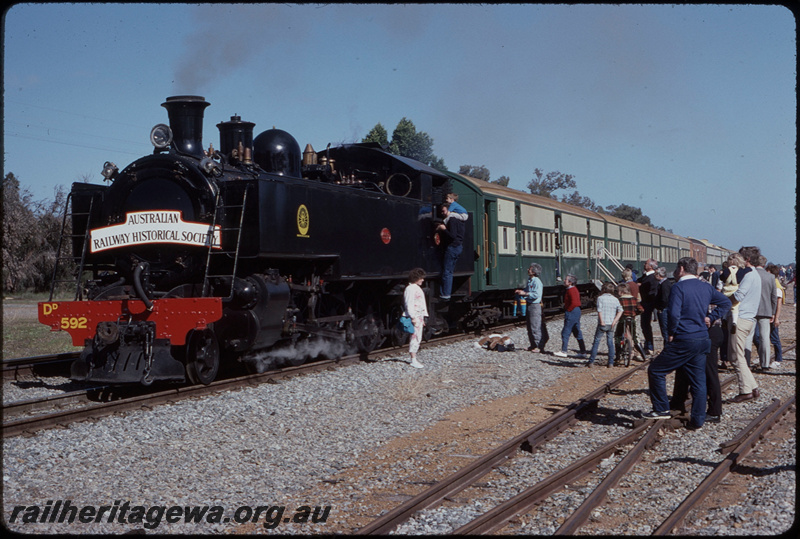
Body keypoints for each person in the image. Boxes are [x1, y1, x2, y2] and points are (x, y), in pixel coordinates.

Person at [643, 257, 731, 429]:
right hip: (702, 338)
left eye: (676, 269)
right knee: (699, 381)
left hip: (684, 337)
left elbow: (674, 314)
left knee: (656, 370)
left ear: (682, 269)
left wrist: (671, 333)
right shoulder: (705, 287)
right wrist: (711, 318)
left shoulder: (678, 287)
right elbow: (725, 302)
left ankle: (661, 408)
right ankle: (698, 420)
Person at [728, 246, 761, 402]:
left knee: (736, 356)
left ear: (747, 259)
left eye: (741, 257)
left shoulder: (749, 276)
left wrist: (723, 300)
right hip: (749, 319)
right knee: (739, 355)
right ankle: (753, 387)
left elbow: (739, 296)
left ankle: (745, 390)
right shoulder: (756, 275)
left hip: (740, 319)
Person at [588, 281, 623, 368]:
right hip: (611, 323)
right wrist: (615, 321)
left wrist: (602, 321)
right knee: (610, 342)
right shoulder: (615, 299)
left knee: (596, 342)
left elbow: (599, 310)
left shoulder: (600, 298)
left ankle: (591, 361)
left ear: (603, 289)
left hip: (602, 323)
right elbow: (620, 310)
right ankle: (610, 362)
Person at [515, 263, 549, 353]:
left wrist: (525, 294)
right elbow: (528, 290)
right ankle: (533, 345)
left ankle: (539, 346)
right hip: (529, 304)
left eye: (529, 269)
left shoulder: (537, 281)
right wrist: (521, 291)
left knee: (535, 326)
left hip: (535, 306)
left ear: (534, 272)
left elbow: (537, 294)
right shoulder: (530, 280)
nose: (528, 270)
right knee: (530, 326)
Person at [752, 254, 777, 371]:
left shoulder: (750, 275)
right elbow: (773, 297)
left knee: (748, 337)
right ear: (764, 264)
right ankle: (765, 363)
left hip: (751, 310)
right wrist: (773, 312)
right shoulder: (771, 277)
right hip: (766, 310)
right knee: (765, 338)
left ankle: (746, 363)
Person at [435, 204, 465, 300]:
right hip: (458, 247)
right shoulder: (459, 221)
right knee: (449, 271)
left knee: (447, 272)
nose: (442, 213)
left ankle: (445, 294)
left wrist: (443, 229)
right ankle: (446, 293)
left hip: (453, 247)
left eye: (443, 211)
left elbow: (452, 235)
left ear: (449, 210)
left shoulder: (452, 220)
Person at [554, 275, 587, 358]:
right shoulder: (573, 289)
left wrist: (568, 310)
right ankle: (583, 351)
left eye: (566, 279)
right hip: (576, 311)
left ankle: (564, 351)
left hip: (572, 311)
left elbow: (575, 302)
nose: (564, 280)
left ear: (570, 282)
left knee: (566, 331)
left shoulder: (571, 290)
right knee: (577, 331)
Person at [403, 268, 428, 368]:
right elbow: (409, 303)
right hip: (415, 316)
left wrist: (423, 317)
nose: (423, 280)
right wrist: (413, 317)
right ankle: (413, 359)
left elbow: (422, 304)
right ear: (416, 278)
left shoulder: (416, 288)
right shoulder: (410, 289)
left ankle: (414, 358)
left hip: (419, 316)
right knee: (415, 337)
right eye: (421, 278)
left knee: (418, 337)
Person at [614, 282, 644, 360]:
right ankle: (643, 355)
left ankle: (617, 356)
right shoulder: (634, 299)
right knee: (634, 336)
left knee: (618, 336)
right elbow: (641, 309)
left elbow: (616, 310)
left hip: (622, 319)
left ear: (621, 292)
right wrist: (634, 313)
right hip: (631, 319)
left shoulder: (619, 300)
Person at [637, 259, 659, 355]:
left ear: (651, 266)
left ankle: (649, 345)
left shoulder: (652, 277)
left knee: (645, 325)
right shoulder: (646, 276)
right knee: (644, 325)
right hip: (646, 303)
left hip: (648, 304)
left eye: (646, 263)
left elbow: (653, 291)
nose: (644, 264)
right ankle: (648, 344)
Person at [654, 266, 672, 348]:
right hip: (664, 309)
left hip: (664, 310)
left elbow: (665, 299)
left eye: (655, 274)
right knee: (665, 331)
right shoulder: (664, 283)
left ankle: (667, 348)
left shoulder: (664, 285)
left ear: (658, 275)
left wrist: (660, 308)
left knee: (665, 331)